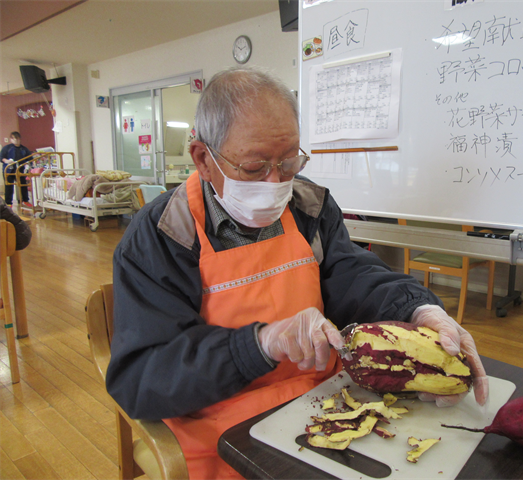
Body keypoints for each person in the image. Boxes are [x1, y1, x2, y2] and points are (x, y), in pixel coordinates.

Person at [107, 67, 489, 480]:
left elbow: (351, 272)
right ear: (203, 158)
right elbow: (142, 378)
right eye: (255, 168)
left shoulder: (308, 205)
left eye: (288, 162)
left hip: (325, 398)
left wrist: (419, 309)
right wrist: (260, 344)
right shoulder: (163, 236)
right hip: (223, 426)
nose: (275, 183)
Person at [1, 132, 32, 206]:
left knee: (23, 185)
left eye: (17, 138)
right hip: (8, 170)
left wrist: (28, 164)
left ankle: (25, 200)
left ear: (20, 139)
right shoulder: (7, 148)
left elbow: (30, 158)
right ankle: (8, 203)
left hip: (20, 170)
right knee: (8, 187)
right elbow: (1, 157)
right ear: (11, 139)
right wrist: (6, 161)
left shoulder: (24, 149)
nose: (15, 140)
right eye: (13, 138)